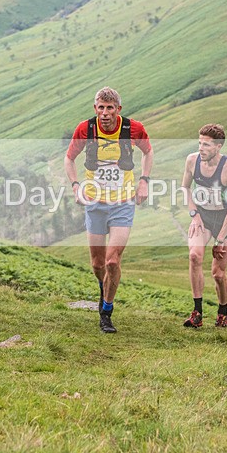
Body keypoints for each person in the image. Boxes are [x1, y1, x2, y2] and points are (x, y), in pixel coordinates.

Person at [64, 87, 153, 333]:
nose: (104, 113)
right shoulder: (86, 129)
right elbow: (69, 159)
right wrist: (75, 186)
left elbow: (148, 151)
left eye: (110, 108)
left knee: (113, 261)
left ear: (118, 110)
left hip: (123, 203)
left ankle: (106, 310)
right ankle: (104, 288)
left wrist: (144, 180)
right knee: (97, 264)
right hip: (94, 203)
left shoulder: (133, 129)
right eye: (100, 108)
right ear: (95, 108)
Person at [180, 124, 227, 328]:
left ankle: (223, 310)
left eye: (206, 145)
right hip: (203, 217)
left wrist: (220, 239)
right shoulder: (192, 161)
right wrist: (194, 214)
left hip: (225, 221)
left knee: (218, 273)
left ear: (218, 146)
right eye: (199, 143)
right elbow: (185, 187)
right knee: (194, 255)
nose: (201, 148)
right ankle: (197, 312)